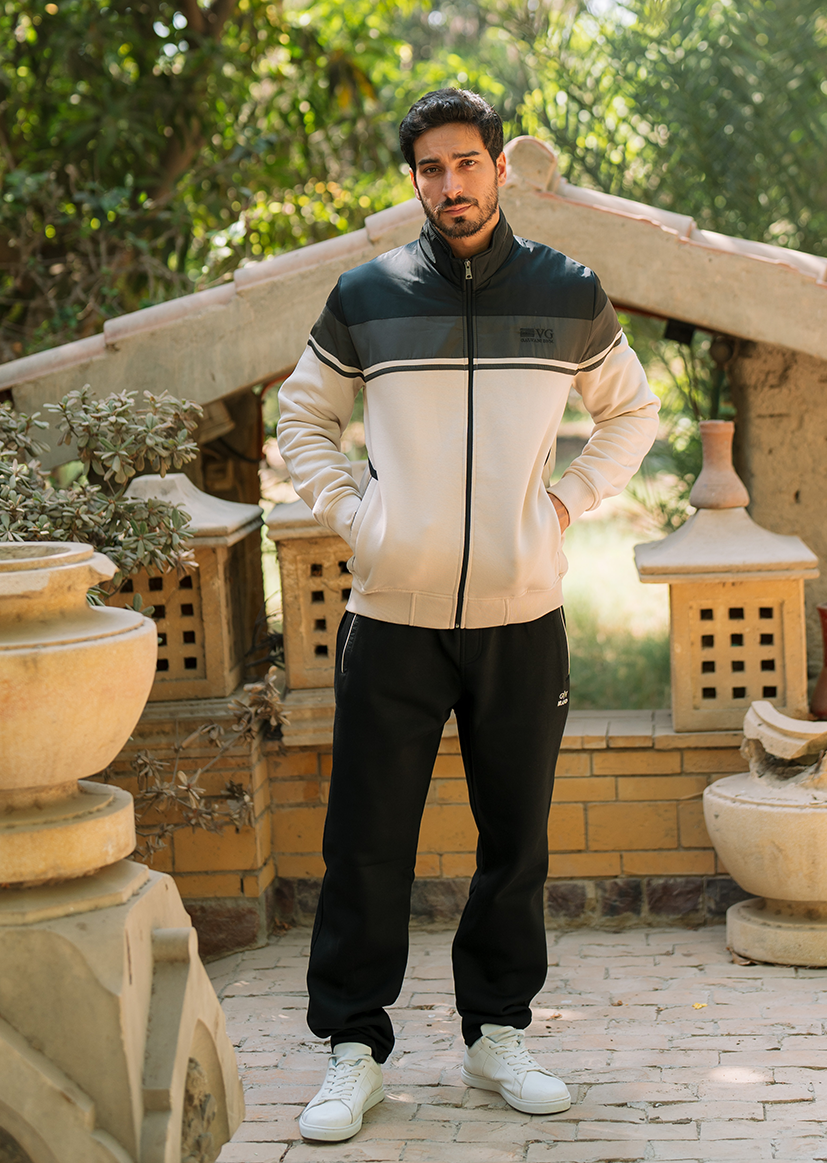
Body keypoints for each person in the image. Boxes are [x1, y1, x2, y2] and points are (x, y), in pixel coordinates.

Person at [277, 88, 660, 1143]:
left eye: (467, 163)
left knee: (515, 841)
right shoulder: (367, 295)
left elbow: (631, 411)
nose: (451, 184)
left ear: (500, 167)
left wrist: (564, 504)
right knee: (367, 843)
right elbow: (303, 415)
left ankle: (497, 1036)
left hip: (521, 614)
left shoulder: (566, 290)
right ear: (416, 181)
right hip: (392, 616)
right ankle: (353, 1052)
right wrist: (356, 516)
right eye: (431, 169)